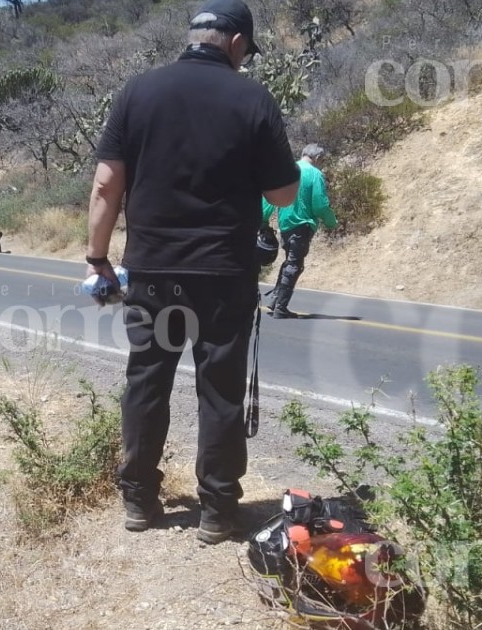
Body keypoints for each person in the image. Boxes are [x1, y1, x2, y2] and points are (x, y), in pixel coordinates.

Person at [83, 0, 301, 545]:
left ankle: (138, 501)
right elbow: (284, 192)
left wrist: (98, 258)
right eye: (245, 50)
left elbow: (107, 186)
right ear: (234, 43)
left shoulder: (137, 92)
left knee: (147, 380)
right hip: (224, 274)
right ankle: (217, 511)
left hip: (153, 271)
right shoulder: (252, 98)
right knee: (220, 389)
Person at [262, 143, 337, 318]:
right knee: (294, 265)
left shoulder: (287, 169)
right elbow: (320, 204)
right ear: (317, 158)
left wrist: (263, 221)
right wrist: (332, 222)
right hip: (302, 225)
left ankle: (275, 301)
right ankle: (281, 307)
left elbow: (269, 200)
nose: (322, 164)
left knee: (289, 262)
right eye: (322, 160)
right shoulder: (315, 174)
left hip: (285, 225)